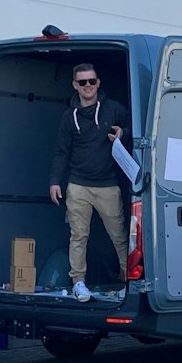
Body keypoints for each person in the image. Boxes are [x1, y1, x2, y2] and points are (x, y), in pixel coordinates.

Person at [48, 63, 130, 302]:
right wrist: (55, 181)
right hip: (78, 184)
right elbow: (61, 151)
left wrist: (122, 134)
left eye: (91, 81)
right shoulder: (68, 117)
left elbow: (136, 128)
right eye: (82, 82)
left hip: (108, 185)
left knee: (119, 235)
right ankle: (78, 283)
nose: (87, 86)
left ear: (98, 83)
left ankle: (128, 281)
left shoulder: (114, 109)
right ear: (75, 85)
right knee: (78, 235)